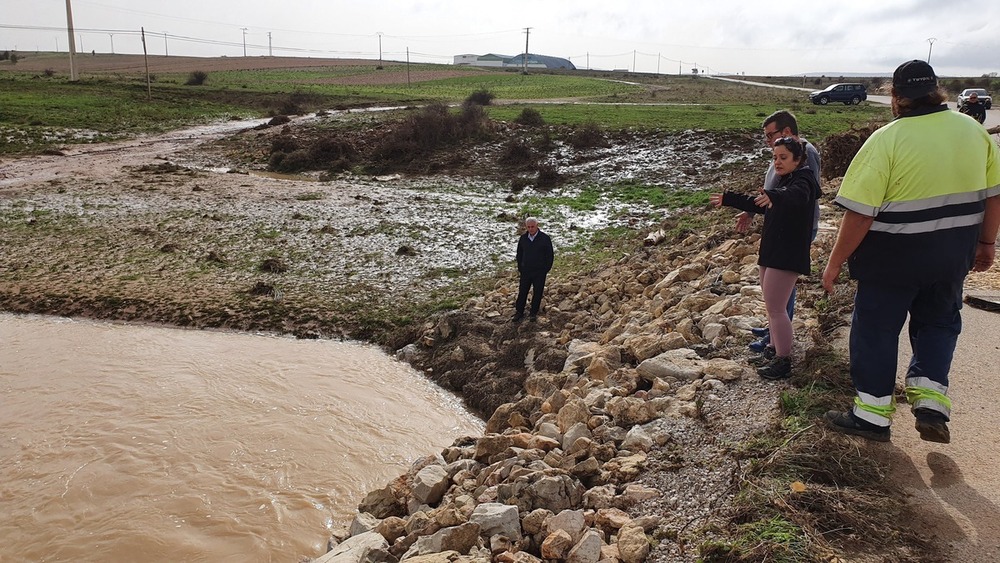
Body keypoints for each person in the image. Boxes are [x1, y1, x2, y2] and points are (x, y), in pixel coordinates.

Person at [822, 60, 1000, 443]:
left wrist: (834, 263)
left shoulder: (887, 139)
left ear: (896, 97)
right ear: (937, 91)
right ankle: (931, 401)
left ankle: (871, 415)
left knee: (876, 331)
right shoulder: (974, 130)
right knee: (940, 322)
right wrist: (987, 243)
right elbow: (994, 194)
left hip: (892, 260)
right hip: (953, 255)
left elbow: (859, 215)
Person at [711, 137, 821, 380]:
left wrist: (776, 196)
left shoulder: (804, 181)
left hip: (787, 255)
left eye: (783, 158)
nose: (778, 162)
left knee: (777, 309)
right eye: (774, 157)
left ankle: (784, 361)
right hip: (772, 252)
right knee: (772, 309)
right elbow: (762, 203)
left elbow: (795, 196)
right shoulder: (786, 180)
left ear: (798, 159)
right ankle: (773, 349)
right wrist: (729, 199)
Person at [739, 111, 822, 353]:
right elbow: (771, 190)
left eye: (770, 135)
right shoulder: (784, 148)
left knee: (784, 285)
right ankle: (774, 330)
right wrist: (750, 211)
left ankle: (779, 343)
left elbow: (803, 192)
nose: (767, 141)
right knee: (777, 288)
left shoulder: (806, 154)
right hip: (779, 222)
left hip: (794, 227)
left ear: (786, 131)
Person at [512, 217, 554, 323]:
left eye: (532, 227)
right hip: (526, 271)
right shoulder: (523, 238)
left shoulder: (545, 238)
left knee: (537, 292)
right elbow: (519, 254)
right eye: (528, 227)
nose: (530, 229)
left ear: (537, 226)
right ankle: (519, 312)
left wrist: (545, 269)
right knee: (523, 291)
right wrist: (521, 267)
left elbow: (550, 255)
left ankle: (533, 313)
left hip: (539, 272)